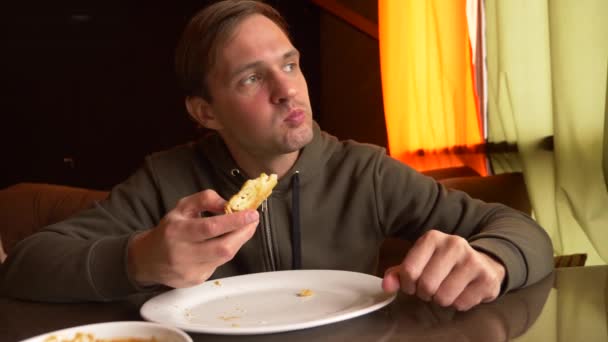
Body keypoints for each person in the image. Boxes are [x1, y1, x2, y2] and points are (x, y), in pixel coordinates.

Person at [0, 0, 553, 311]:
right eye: (251, 78)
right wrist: (139, 259)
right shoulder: (166, 178)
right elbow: (27, 265)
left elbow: (517, 228)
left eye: (289, 65)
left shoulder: (363, 170)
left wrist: (495, 262)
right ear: (206, 112)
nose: (287, 91)